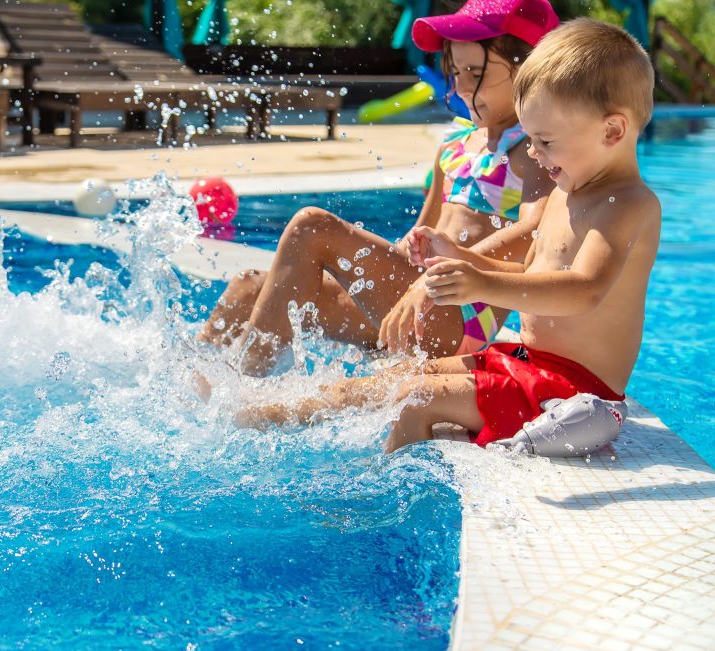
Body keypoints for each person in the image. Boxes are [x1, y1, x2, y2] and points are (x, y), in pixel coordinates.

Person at [237, 18, 661, 454]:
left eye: (545, 141)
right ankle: (252, 417)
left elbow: (583, 291)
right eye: (531, 140)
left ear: (612, 131)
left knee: (414, 397)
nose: (533, 153)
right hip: (527, 366)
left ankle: (379, 495)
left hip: (574, 395)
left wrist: (479, 283)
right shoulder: (566, 194)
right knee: (390, 380)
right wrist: (460, 257)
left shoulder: (628, 205)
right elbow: (529, 271)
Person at [198, 0, 560, 376]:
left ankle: (241, 394)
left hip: (456, 316)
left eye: (475, 72)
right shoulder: (454, 147)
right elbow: (418, 235)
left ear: (527, 69)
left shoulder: (531, 150)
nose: (462, 87)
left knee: (313, 226)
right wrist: (401, 255)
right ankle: (194, 388)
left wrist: (450, 265)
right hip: (410, 301)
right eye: (456, 73)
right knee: (249, 287)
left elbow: (537, 233)